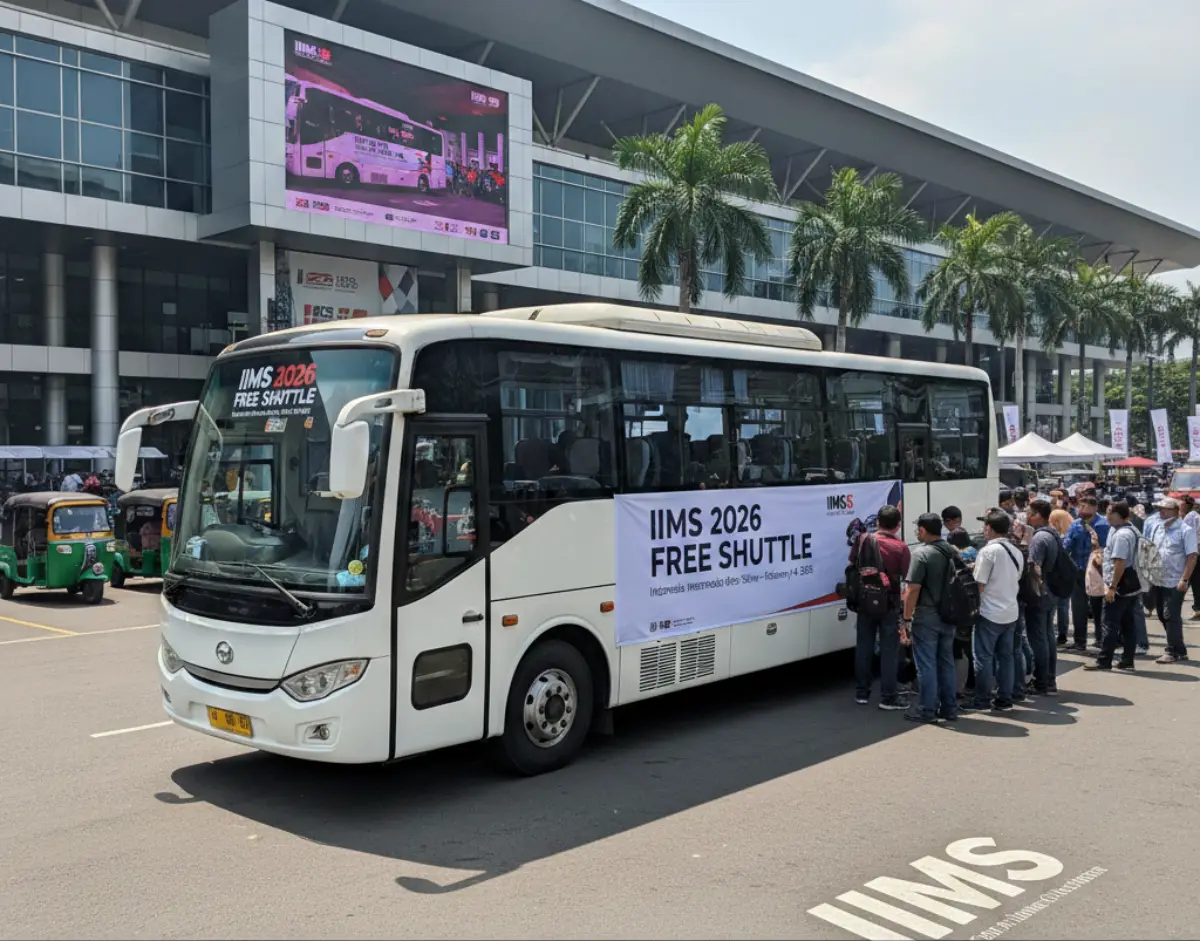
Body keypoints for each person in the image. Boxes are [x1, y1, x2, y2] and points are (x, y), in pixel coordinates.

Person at [849, 505, 910, 710]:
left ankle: (862, 693)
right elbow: (906, 575)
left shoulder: (862, 539)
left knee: (864, 646)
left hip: (865, 601)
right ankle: (888, 696)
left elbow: (852, 563)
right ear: (898, 526)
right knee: (889, 651)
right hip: (889, 604)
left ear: (877, 522)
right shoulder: (901, 547)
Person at [901, 512, 959, 724]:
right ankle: (949, 708)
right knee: (946, 662)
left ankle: (927, 709)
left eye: (918, 529)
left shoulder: (921, 554)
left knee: (926, 664)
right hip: (950, 613)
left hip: (927, 615)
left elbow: (913, 589)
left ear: (923, 530)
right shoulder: (950, 550)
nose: (917, 532)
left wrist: (907, 619)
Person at [963, 509, 1021, 712]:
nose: (983, 529)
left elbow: (979, 584)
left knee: (983, 658)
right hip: (1010, 611)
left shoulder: (988, 552)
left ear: (990, 528)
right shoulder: (1015, 551)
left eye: (985, 525)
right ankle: (1004, 699)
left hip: (989, 613)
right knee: (1006, 657)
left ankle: (982, 699)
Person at [1085, 501, 1141, 672]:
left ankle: (1104, 660)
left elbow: (1120, 562)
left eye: (1111, 512)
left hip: (1120, 585)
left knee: (1109, 623)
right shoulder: (1124, 529)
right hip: (1131, 584)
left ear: (1121, 515)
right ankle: (1127, 660)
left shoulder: (1122, 535)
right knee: (1128, 623)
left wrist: (1112, 587)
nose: (1107, 515)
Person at [1147, 497, 1196, 664]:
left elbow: (1191, 557)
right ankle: (1179, 649)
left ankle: (1171, 651)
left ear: (1175, 512)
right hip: (1159, 579)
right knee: (1162, 613)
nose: (1161, 512)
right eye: (1160, 509)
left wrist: (1185, 579)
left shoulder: (1185, 530)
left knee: (1170, 614)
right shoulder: (1158, 528)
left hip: (1176, 580)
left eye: (1165, 509)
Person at [1063, 494, 1110, 651]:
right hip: (1079, 571)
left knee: (1098, 608)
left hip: (1098, 572)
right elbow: (1066, 546)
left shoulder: (1104, 524)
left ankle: (1101, 639)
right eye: (1080, 506)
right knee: (1078, 607)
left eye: (1085, 507)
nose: (1081, 510)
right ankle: (1079, 641)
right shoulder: (1075, 524)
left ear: (1095, 508)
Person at [1024, 499, 1060, 695]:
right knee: (1047, 636)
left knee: (1038, 638)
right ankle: (1049, 680)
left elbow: (1035, 568)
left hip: (1040, 593)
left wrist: (1033, 591)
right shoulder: (1053, 534)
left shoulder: (1039, 538)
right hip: (1051, 591)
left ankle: (1042, 682)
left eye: (1030, 512)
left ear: (1038, 514)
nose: (1028, 515)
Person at [1049, 508, 1073, 646]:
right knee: (1063, 606)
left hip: (1056, 575)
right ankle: (1062, 633)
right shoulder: (1070, 534)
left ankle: (1055, 633)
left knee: (1054, 605)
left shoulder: (1057, 537)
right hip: (1067, 575)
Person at [1180, 495, 1200, 621]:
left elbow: (1188, 536)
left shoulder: (1191, 517)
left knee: (1195, 582)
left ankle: (1198, 609)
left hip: (1194, 554)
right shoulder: (1193, 516)